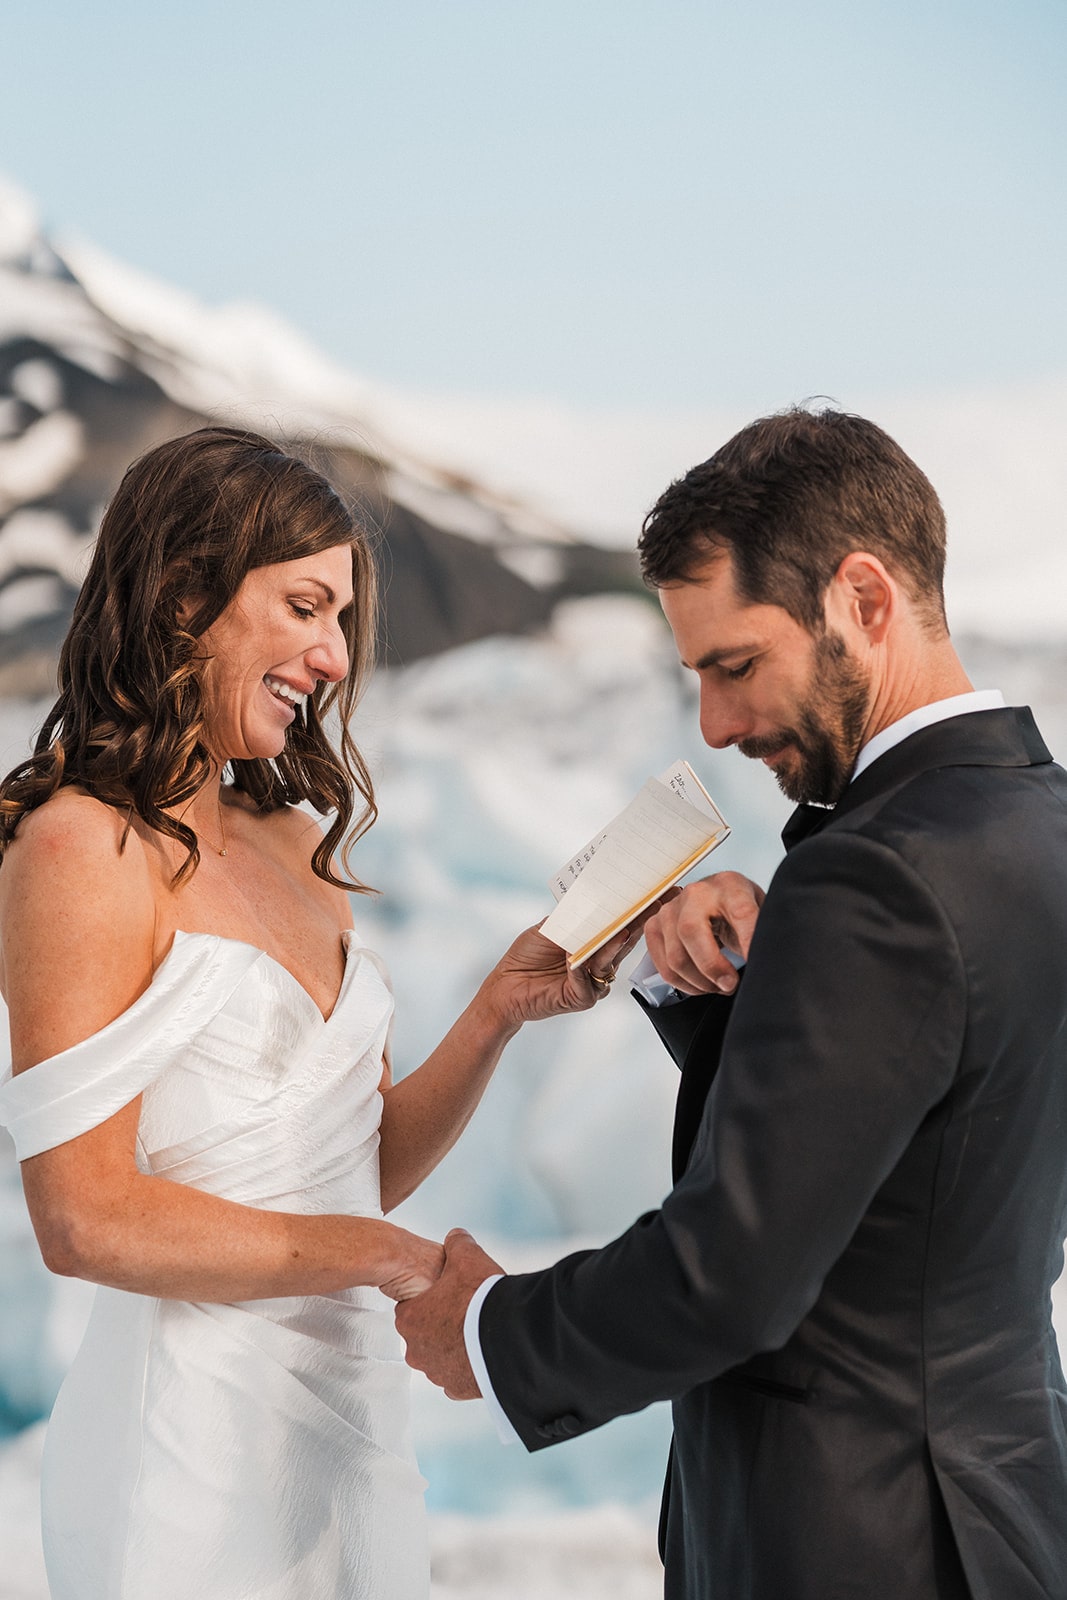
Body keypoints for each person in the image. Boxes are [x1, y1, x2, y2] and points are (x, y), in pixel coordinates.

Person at [397, 407, 1067, 1599]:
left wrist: (495, 1332)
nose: (712, 722)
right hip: (996, 1511)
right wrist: (710, 986)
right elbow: (935, 1158)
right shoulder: (1033, 823)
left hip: (848, 1539)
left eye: (734, 664)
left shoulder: (871, 872)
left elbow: (730, 1275)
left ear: (863, 599)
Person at [0, 426, 633, 1600]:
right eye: (303, 606)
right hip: (183, 1459)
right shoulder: (80, 847)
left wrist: (495, 1010)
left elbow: (355, 1169)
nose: (334, 656)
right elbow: (83, 1219)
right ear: (186, 595)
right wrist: (384, 1259)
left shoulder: (298, 848)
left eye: (340, 619)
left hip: (351, 1436)